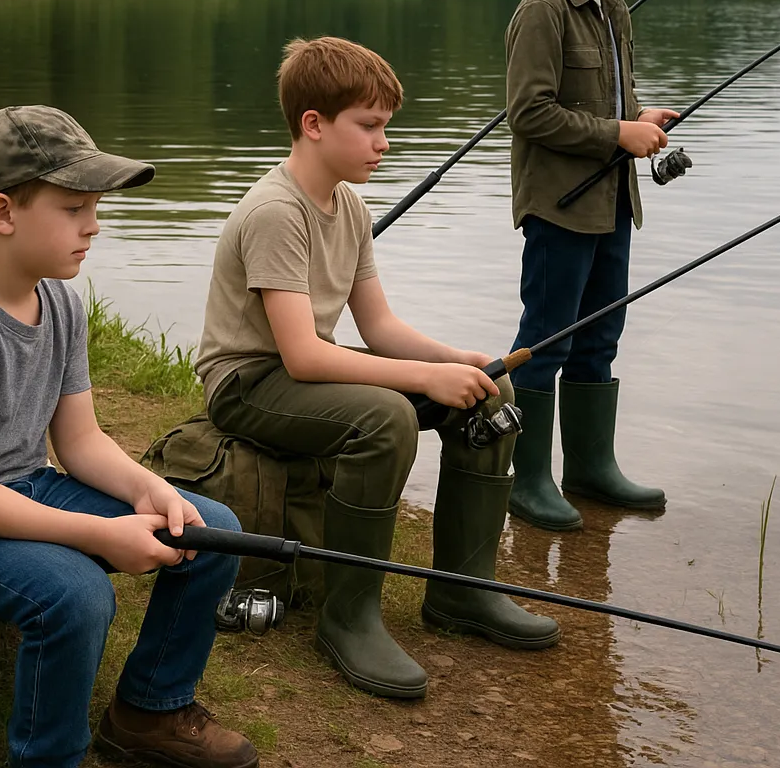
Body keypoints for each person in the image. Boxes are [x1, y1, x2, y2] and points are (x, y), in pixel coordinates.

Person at [0, 106, 258, 768]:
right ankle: (50, 755)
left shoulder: (61, 299)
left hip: (23, 483)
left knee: (208, 527)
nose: (94, 224)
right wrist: (101, 535)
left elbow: (79, 441)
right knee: (77, 594)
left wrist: (152, 491)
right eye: (75, 207)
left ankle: (149, 712)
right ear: (1, 212)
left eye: (95, 207)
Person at [194, 36, 559, 701]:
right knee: (387, 417)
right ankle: (348, 617)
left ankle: (462, 594)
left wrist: (460, 362)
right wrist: (422, 380)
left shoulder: (349, 205)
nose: (383, 143)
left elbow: (379, 328)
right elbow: (302, 356)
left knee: (491, 390)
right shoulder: (277, 211)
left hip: (302, 371)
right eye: (369, 126)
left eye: (384, 127)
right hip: (248, 382)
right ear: (314, 125)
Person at [504, 0, 681, 532]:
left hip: (612, 204)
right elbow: (530, 114)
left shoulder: (609, 6)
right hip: (559, 206)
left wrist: (642, 118)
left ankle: (590, 467)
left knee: (602, 334)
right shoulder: (542, 11)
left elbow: (614, 100)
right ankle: (530, 481)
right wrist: (617, 132)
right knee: (546, 339)